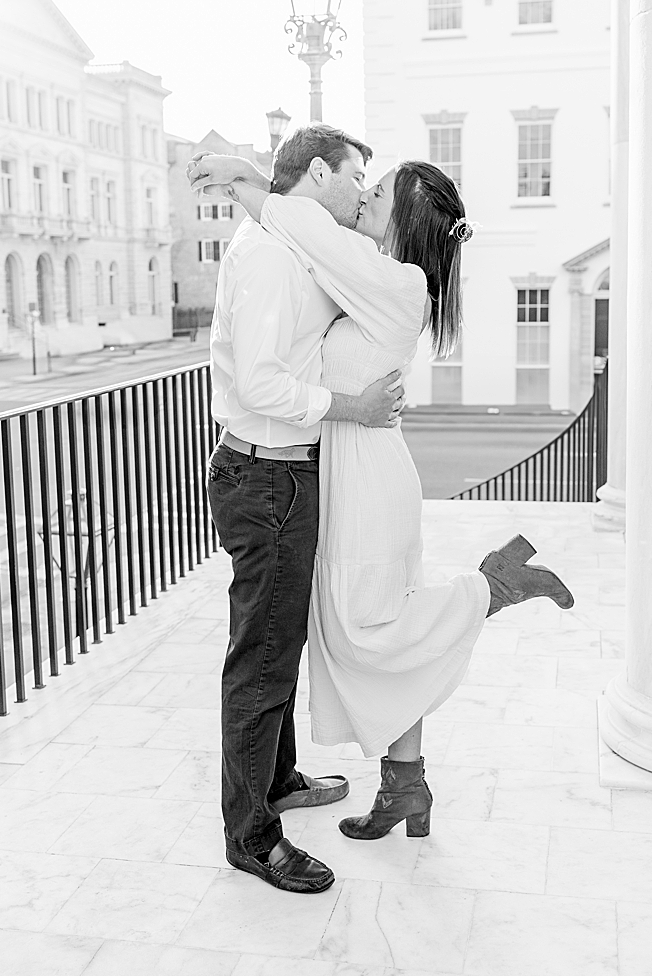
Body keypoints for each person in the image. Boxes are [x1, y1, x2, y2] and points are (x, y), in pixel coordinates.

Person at [191, 147, 576, 849]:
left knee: (366, 629)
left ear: (404, 220)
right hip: (358, 468)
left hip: (365, 479)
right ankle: (405, 783)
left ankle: (491, 588)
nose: (365, 194)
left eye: (381, 191)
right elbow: (314, 247)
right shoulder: (377, 277)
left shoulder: (396, 280)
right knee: (380, 627)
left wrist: (245, 179)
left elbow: (306, 230)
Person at [207, 125, 401, 894]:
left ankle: (278, 778)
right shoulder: (270, 261)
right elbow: (258, 384)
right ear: (320, 172)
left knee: (279, 645)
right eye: (358, 174)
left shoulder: (291, 244)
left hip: (285, 475)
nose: (363, 189)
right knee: (260, 662)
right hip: (266, 479)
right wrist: (352, 405)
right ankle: (252, 834)